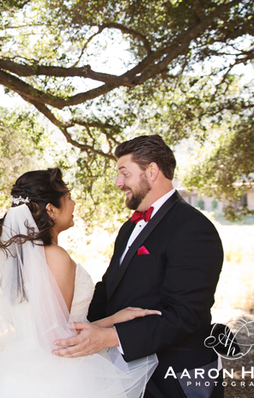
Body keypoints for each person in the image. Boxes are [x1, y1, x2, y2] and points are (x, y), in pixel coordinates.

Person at [0, 168, 158, 398]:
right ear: (51, 209)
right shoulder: (56, 256)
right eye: (68, 198)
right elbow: (60, 337)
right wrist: (114, 321)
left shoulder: (21, 258)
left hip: (20, 368)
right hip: (60, 376)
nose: (74, 204)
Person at [53, 135, 225, 398]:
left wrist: (110, 337)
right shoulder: (129, 227)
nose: (118, 183)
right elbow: (109, 287)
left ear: (152, 171)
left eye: (125, 173)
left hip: (174, 376)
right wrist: (77, 329)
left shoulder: (193, 229)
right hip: (126, 373)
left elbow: (185, 315)